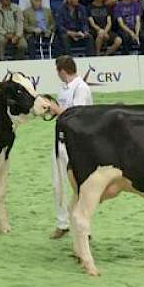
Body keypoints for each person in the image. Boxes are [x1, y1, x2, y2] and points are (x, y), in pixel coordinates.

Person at [48, 55, 93, 239]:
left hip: (77, 144)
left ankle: (84, 227)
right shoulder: (64, 89)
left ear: (62, 71)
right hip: (60, 140)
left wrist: (57, 110)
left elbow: (77, 116)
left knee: (81, 186)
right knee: (57, 184)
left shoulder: (81, 88)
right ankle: (62, 223)